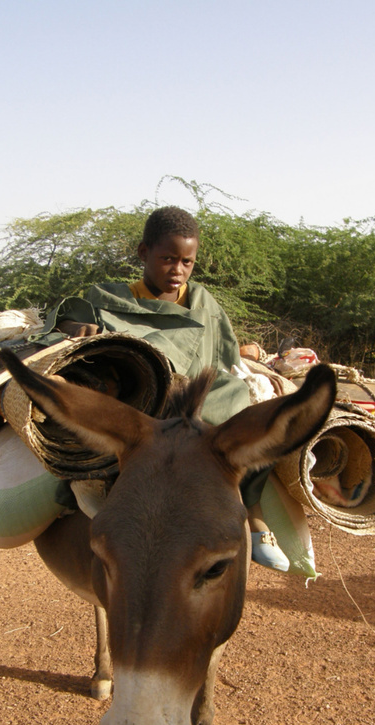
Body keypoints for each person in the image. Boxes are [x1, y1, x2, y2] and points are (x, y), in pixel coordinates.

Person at [51, 206, 289, 570]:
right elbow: (67, 322)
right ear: (144, 253)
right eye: (167, 259)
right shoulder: (109, 298)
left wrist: (255, 364)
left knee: (248, 407)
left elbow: (225, 357)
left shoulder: (204, 304)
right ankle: (96, 484)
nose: (178, 271)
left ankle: (253, 515)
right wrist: (73, 327)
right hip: (144, 397)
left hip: (198, 394)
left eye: (187, 262)